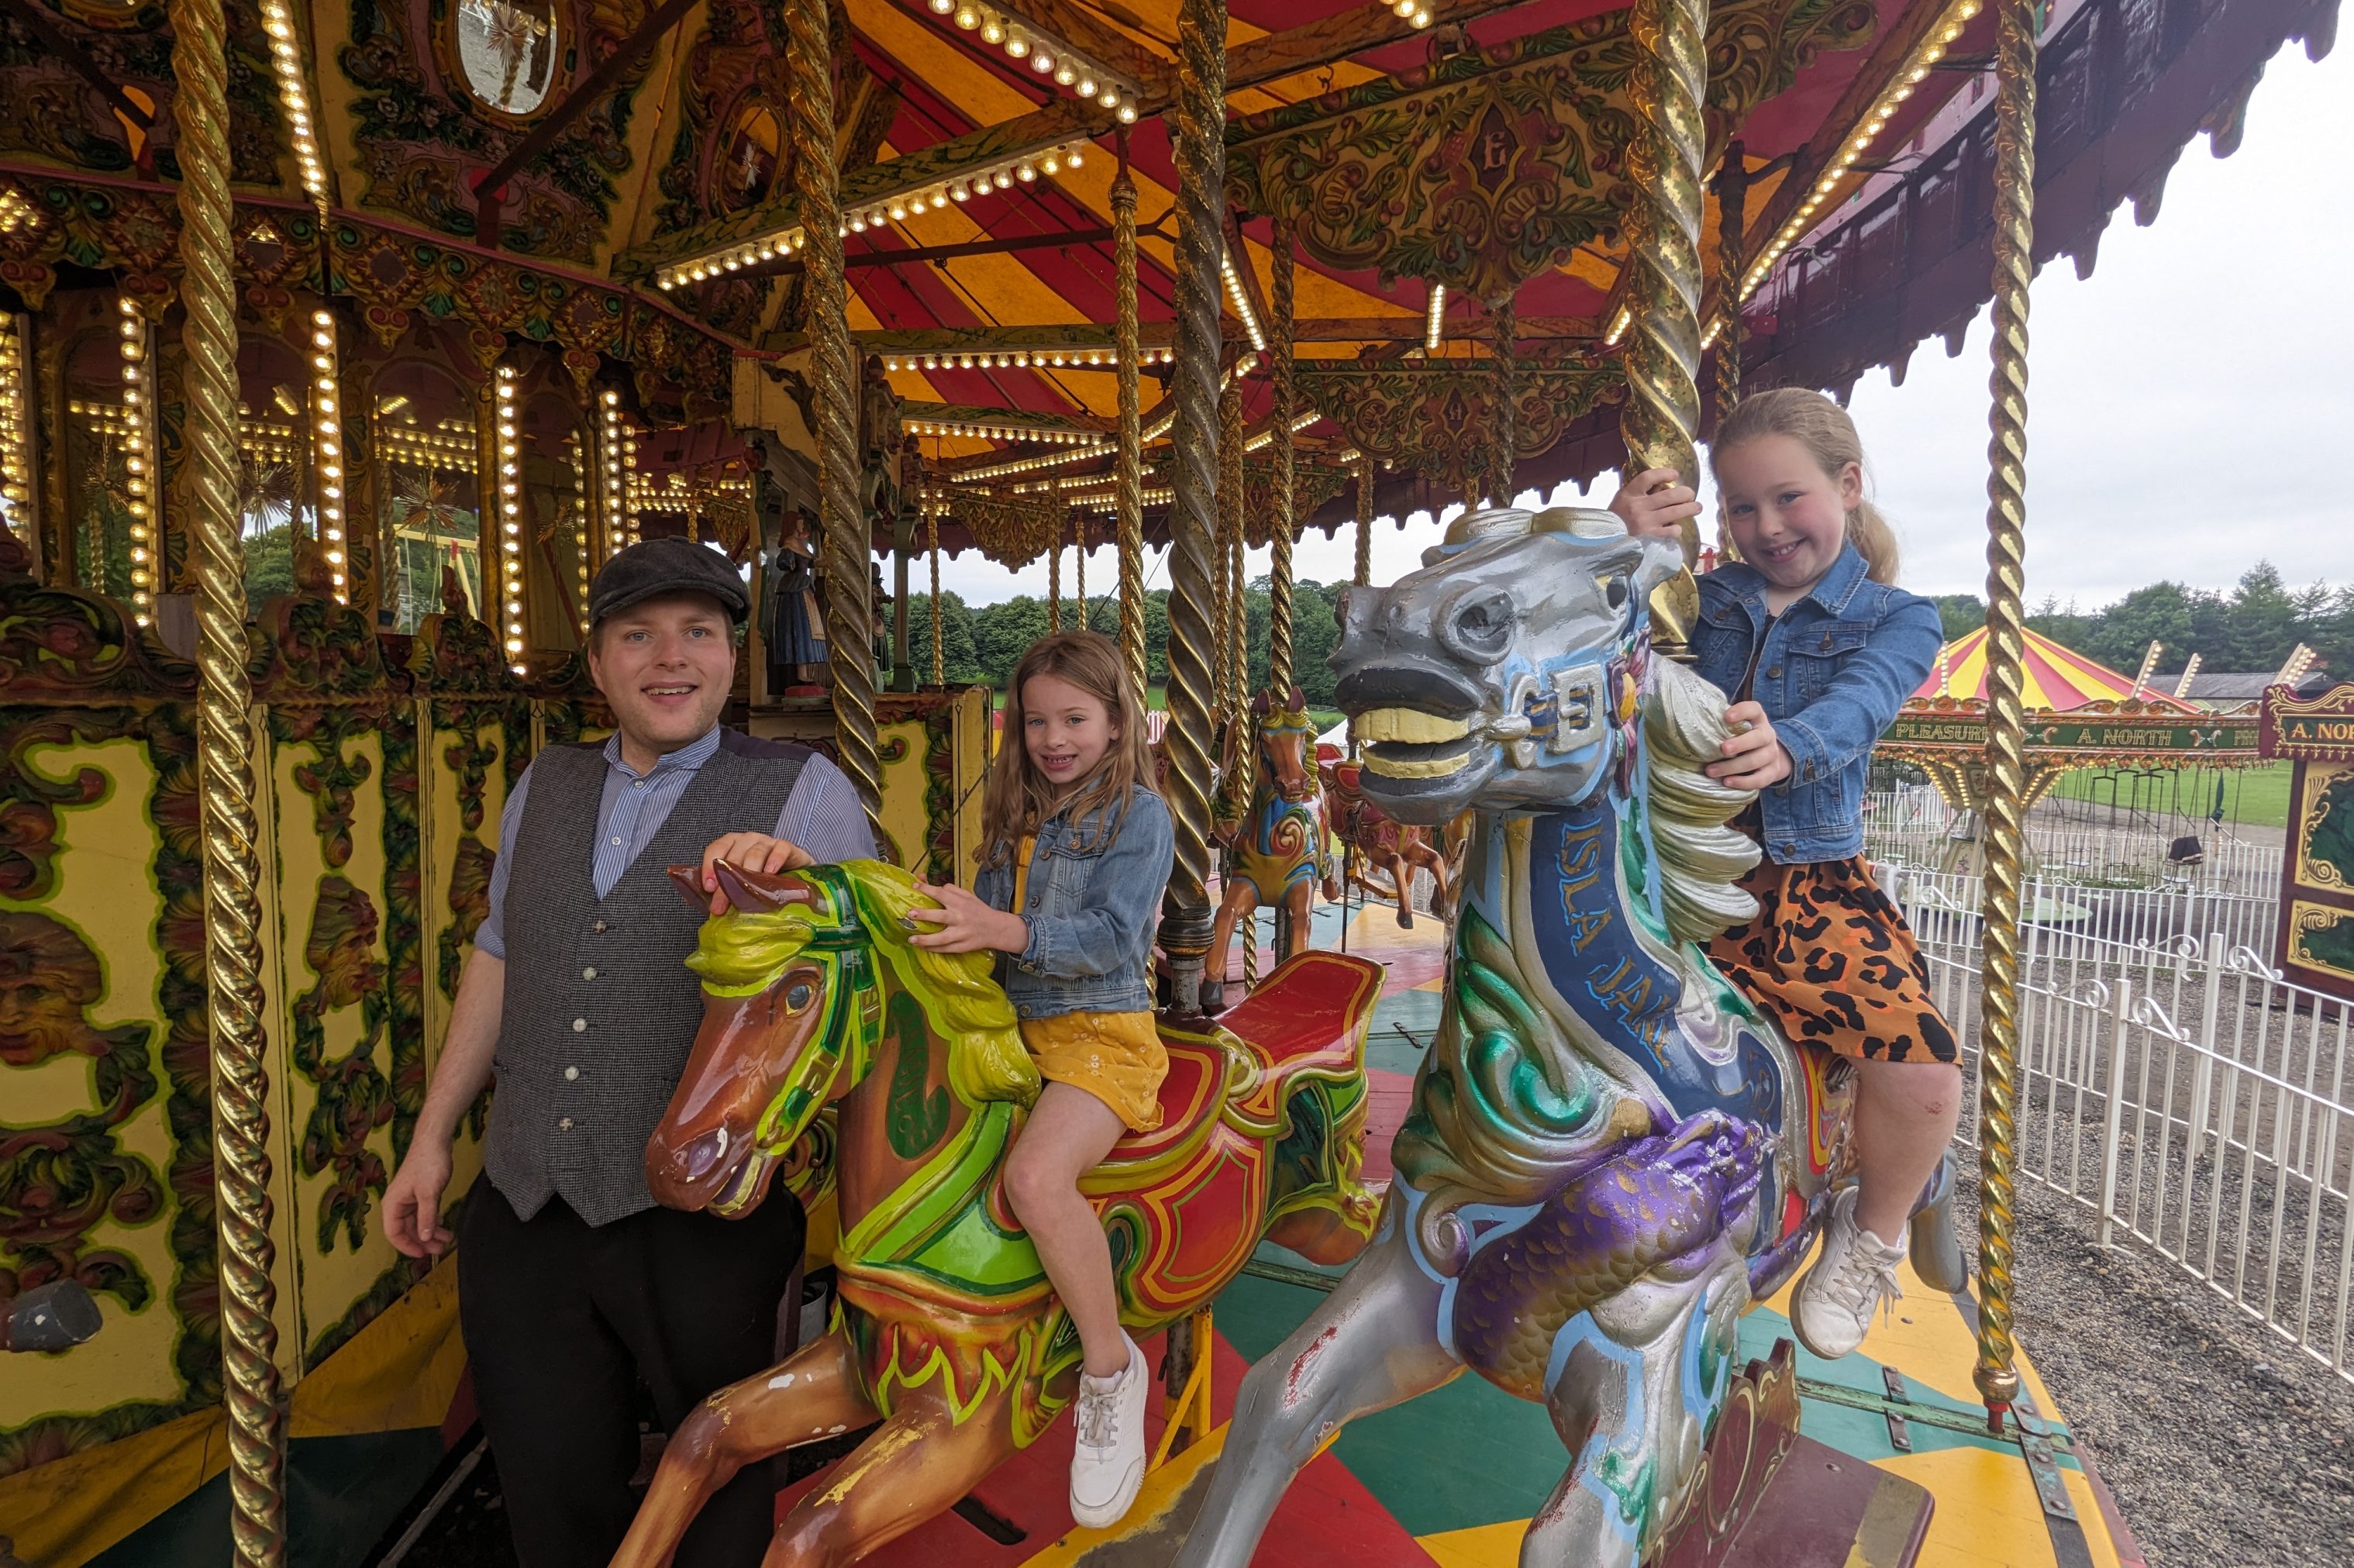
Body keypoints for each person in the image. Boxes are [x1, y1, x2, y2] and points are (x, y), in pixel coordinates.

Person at [381, 536, 875, 1568]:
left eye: (697, 631)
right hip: (525, 1198)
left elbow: (861, 991)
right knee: (548, 1491)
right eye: (638, 634)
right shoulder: (544, 786)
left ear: (731, 655)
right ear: (599, 661)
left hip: (698, 1215)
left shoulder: (803, 792)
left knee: (718, 1490)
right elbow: (502, 955)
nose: (671, 657)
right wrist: (433, 1138)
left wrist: (796, 895)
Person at [1611, 387, 1955, 1360]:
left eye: (1788, 499)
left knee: (1925, 1073)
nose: (1765, 527)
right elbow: (1594, 639)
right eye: (1739, 508)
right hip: (1675, 865)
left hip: (1804, 883)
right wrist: (1622, 542)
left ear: (1847, 486)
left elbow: (1863, 703)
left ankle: (1873, 1228)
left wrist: (1790, 744)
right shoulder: (1697, 598)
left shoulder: (1898, 617)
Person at [905, 629, 1174, 1528]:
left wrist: (1003, 930)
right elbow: (987, 939)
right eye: (1035, 723)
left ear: (1113, 721)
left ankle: (1108, 1369)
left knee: (1031, 1176)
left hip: (1102, 1037)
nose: (1054, 738)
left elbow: (1113, 937)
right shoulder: (1014, 817)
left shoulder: (1138, 815)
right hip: (1015, 1032)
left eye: (1074, 719)